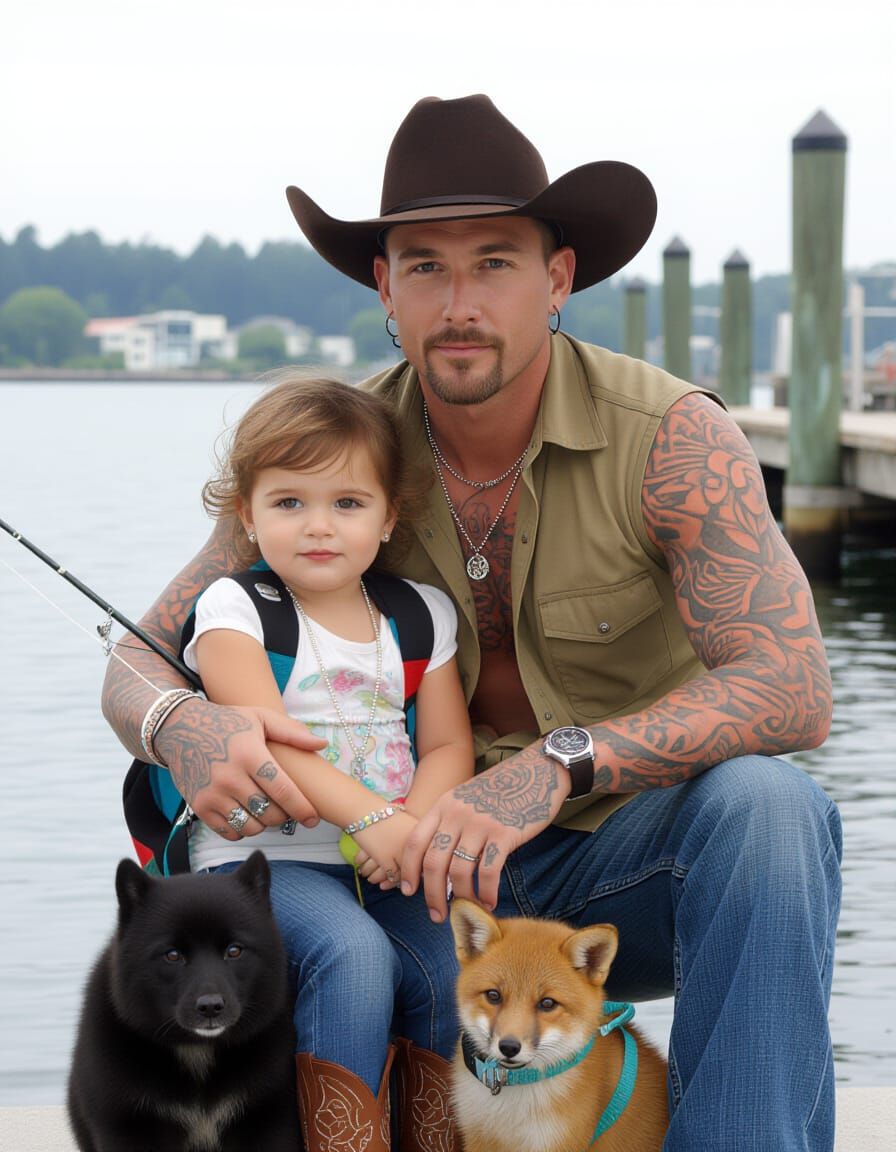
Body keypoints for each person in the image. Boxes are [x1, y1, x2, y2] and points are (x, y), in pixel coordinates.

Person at [102, 95, 841, 1152]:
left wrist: (556, 763)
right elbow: (134, 657)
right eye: (425, 268)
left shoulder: (676, 438)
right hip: (397, 876)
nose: (459, 302)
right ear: (383, 291)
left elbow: (792, 685)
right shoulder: (332, 459)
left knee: (772, 810)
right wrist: (182, 722)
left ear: (557, 280)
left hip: (608, 871)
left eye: (494, 263)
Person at [149, 374, 472, 1149]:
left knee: (450, 965)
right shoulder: (236, 610)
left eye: (347, 504)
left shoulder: (420, 616)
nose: (318, 526)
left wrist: (414, 834)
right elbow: (268, 749)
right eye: (289, 503)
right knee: (353, 954)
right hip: (256, 865)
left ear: (389, 515)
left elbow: (448, 745)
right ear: (248, 516)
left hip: (388, 856)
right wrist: (378, 821)